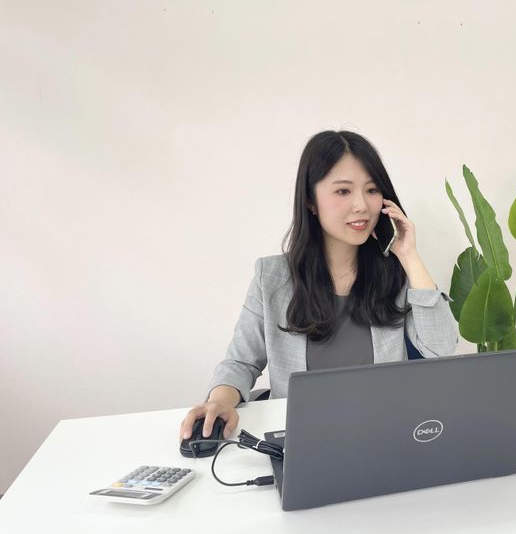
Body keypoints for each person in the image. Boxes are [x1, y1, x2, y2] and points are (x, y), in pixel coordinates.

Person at [180, 130, 458, 442]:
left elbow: (441, 351)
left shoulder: (397, 274)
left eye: (371, 190)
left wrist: (409, 256)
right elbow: (241, 362)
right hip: (303, 438)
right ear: (311, 200)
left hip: (385, 434)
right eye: (343, 191)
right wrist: (219, 401)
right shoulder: (271, 278)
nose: (361, 205)